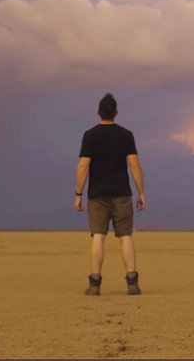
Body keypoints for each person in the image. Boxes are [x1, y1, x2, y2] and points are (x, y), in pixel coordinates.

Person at [75, 92, 145, 295]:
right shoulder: (125, 135)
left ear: (98, 112)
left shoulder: (90, 135)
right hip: (122, 193)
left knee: (98, 236)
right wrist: (141, 191)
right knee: (126, 237)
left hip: (97, 195)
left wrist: (78, 193)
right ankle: (132, 282)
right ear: (116, 112)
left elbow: (83, 166)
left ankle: (95, 284)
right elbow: (134, 164)